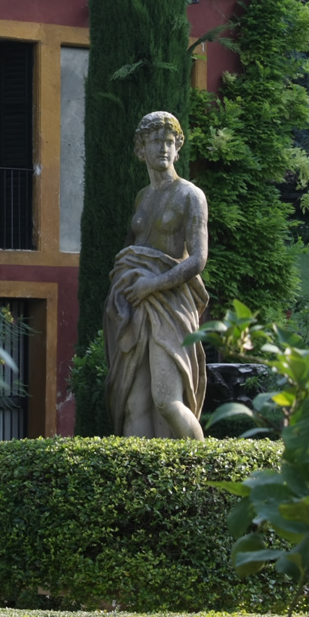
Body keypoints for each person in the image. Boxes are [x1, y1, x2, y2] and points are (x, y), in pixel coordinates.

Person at [102, 110, 209, 438]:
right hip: (135, 305)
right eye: (154, 142)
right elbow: (135, 252)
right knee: (135, 405)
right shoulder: (143, 197)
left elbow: (198, 260)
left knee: (166, 401)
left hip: (170, 304)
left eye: (169, 141)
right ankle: (142, 485)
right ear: (141, 149)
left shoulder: (190, 195)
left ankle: (203, 475)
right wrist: (128, 283)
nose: (162, 148)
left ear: (178, 148)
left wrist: (153, 284)